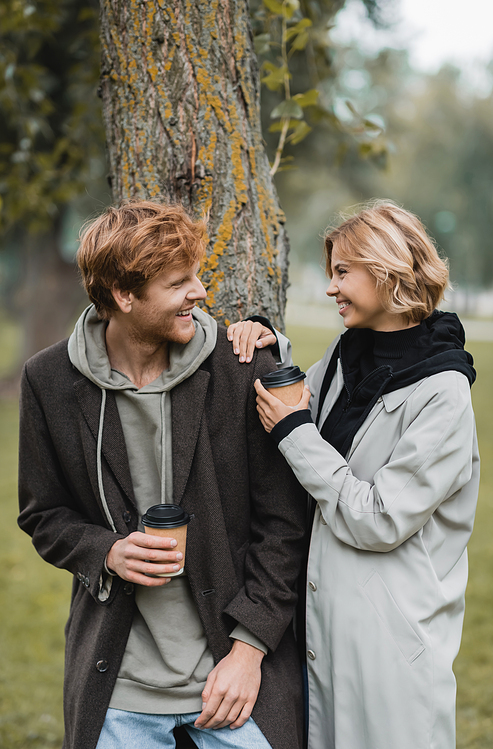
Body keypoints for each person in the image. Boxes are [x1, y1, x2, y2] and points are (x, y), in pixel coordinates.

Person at [18, 201, 307, 749]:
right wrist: (105, 552)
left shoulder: (242, 366)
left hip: (236, 682)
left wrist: (249, 652)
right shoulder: (47, 380)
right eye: (180, 283)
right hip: (118, 693)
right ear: (124, 296)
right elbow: (42, 513)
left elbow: (286, 525)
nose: (199, 292)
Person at [228, 201, 480, 749]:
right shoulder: (352, 352)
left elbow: (379, 519)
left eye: (343, 272)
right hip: (323, 629)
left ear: (386, 268)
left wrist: (293, 431)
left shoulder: (443, 392)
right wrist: (269, 344)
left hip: (391, 648)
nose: (330, 288)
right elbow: (306, 398)